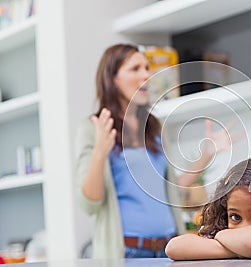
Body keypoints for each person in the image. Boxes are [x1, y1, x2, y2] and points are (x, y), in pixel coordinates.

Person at [75, 44, 234, 259]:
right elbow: (90, 202)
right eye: (135, 69)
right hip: (128, 253)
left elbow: (172, 189)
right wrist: (100, 151)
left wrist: (208, 153)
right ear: (112, 78)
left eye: (147, 67)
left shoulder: (153, 126)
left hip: (169, 248)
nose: (146, 75)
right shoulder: (94, 128)